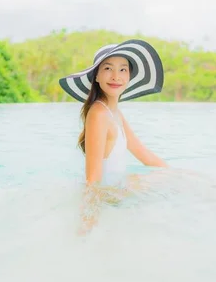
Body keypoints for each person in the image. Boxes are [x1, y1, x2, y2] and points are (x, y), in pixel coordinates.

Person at [58, 39, 169, 234]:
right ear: (97, 76)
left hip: (118, 190)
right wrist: (86, 225)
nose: (116, 76)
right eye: (108, 68)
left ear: (129, 77)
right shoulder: (99, 114)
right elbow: (92, 179)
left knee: (178, 181)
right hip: (111, 197)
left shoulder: (114, 112)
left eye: (123, 70)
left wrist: (175, 174)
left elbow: (144, 154)